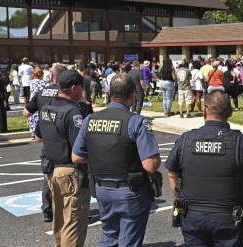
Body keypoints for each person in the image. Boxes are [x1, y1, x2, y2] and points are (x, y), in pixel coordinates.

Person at [164, 89, 243, 247]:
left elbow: (172, 175)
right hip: (229, 218)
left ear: (205, 110)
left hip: (192, 215)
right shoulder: (242, 142)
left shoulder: (186, 139)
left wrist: (180, 198)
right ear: (231, 112)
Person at [72, 74, 161, 247]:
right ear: (133, 95)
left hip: (102, 189)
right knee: (129, 241)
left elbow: (76, 156)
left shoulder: (90, 119)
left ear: (109, 93)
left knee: (109, 236)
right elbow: (150, 165)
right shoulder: (135, 121)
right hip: (130, 191)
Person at [34, 70, 90, 247]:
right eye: (82, 87)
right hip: (70, 172)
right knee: (73, 222)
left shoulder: (46, 107)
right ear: (74, 88)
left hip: (51, 170)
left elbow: (38, 137)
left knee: (59, 220)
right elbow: (79, 152)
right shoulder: (73, 113)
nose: (83, 91)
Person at [23, 63, 67, 223]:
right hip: (64, 141)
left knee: (48, 177)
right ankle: (68, 210)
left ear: (52, 75)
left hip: (46, 138)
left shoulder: (42, 92)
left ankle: (48, 210)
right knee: (68, 177)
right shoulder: (66, 93)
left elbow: (26, 112)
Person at [28, 68, 47, 140]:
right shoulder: (43, 82)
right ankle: (39, 132)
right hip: (40, 99)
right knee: (39, 116)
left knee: (32, 116)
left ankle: (33, 133)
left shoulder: (31, 82)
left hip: (32, 99)